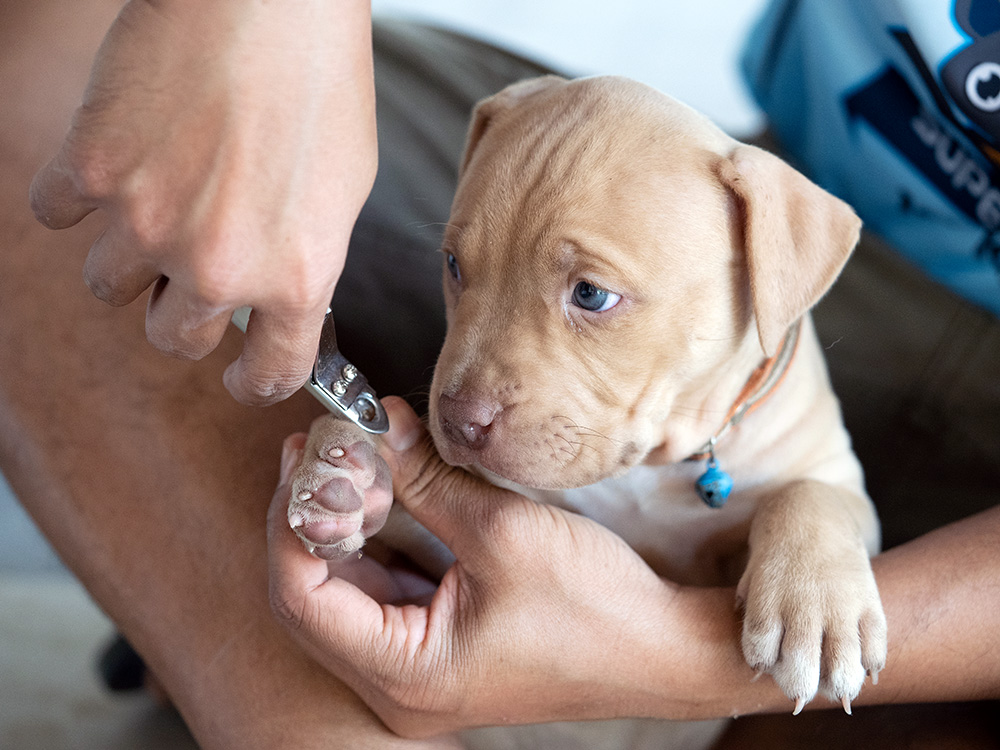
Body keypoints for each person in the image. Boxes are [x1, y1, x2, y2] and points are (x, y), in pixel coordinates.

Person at [0, 2, 996, 750]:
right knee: (90, 76)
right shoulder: (665, 202)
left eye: (591, 297)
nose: (470, 392)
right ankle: (273, 686)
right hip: (804, 146)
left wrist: (702, 651)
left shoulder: (769, 360)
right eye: (459, 268)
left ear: (775, 279)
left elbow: (820, 497)